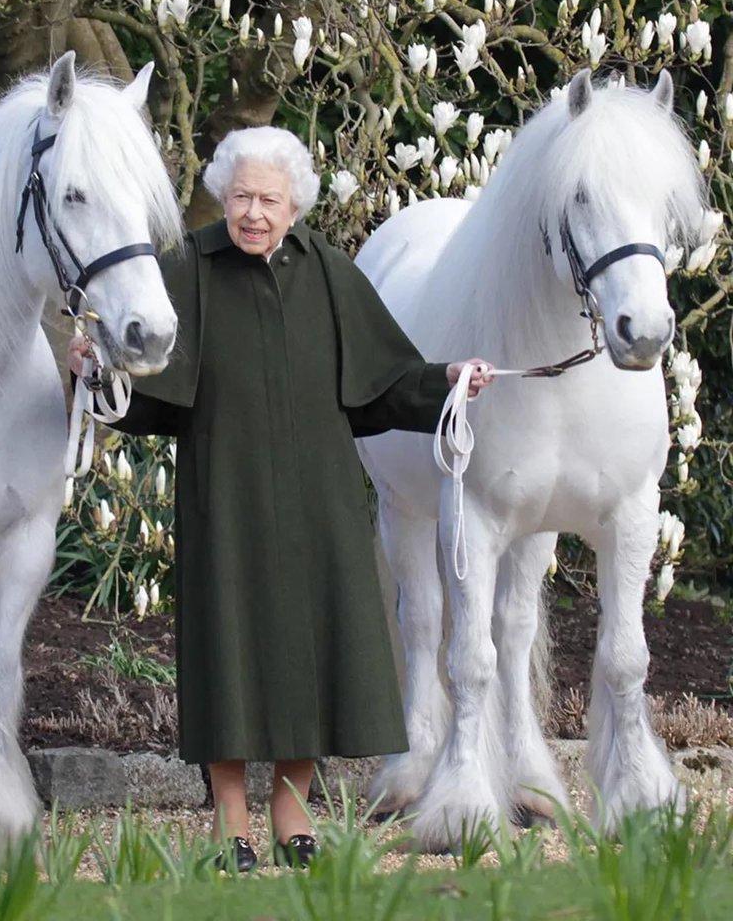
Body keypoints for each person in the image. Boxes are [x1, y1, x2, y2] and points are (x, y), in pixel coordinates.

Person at [69, 127, 492, 871]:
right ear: (221, 200)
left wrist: (452, 378)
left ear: (295, 204)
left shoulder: (329, 273)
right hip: (222, 496)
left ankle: (291, 805)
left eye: (267, 199)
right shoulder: (189, 270)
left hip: (318, 500)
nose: (252, 213)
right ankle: (231, 813)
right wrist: (93, 373)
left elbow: (386, 382)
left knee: (313, 652)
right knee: (227, 652)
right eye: (239, 198)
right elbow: (145, 393)